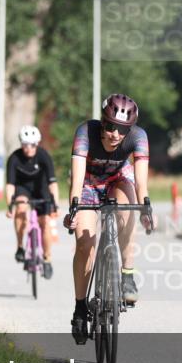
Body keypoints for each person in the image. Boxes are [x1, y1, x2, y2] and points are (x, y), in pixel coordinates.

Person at [64, 94, 153, 344]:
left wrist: (146, 208)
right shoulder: (85, 132)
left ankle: (126, 274)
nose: (115, 133)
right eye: (111, 126)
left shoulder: (139, 137)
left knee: (128, 207)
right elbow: (76, 179)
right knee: (84, 243)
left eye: (122, 129)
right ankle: (80, 308)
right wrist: (73, 207)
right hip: (88, 183)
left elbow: (142, 182)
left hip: (118, 180)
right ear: (103, 122)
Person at [5, 125, 59, 278]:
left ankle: (47, 259)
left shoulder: (43, 156)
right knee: (21, 208)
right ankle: (20, 246)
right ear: (21, 144)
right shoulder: (14, 158)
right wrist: (9, 205)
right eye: (25, 144)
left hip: (41, 189)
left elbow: (52, 183)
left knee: (45, 224)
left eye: (32, 144)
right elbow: (10, 185)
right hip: (23, 189)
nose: (28, 148)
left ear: (38, 143)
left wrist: (55, 204)